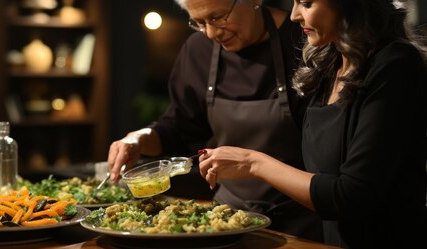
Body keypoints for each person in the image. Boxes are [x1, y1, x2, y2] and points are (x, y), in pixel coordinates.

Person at [198, 0, 427, 247]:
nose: (295, 15)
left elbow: (351, 196)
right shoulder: (328, 64)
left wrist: (253, 163)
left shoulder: (396, 64)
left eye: (306, 3)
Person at [107, 0, 323, 241]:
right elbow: (180, 128)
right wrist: (138, 139)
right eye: (199, 22)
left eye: (218, 17)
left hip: (299, 224)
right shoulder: (199, 50)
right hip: (227, 220)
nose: (210, 33)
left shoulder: (306, 39)